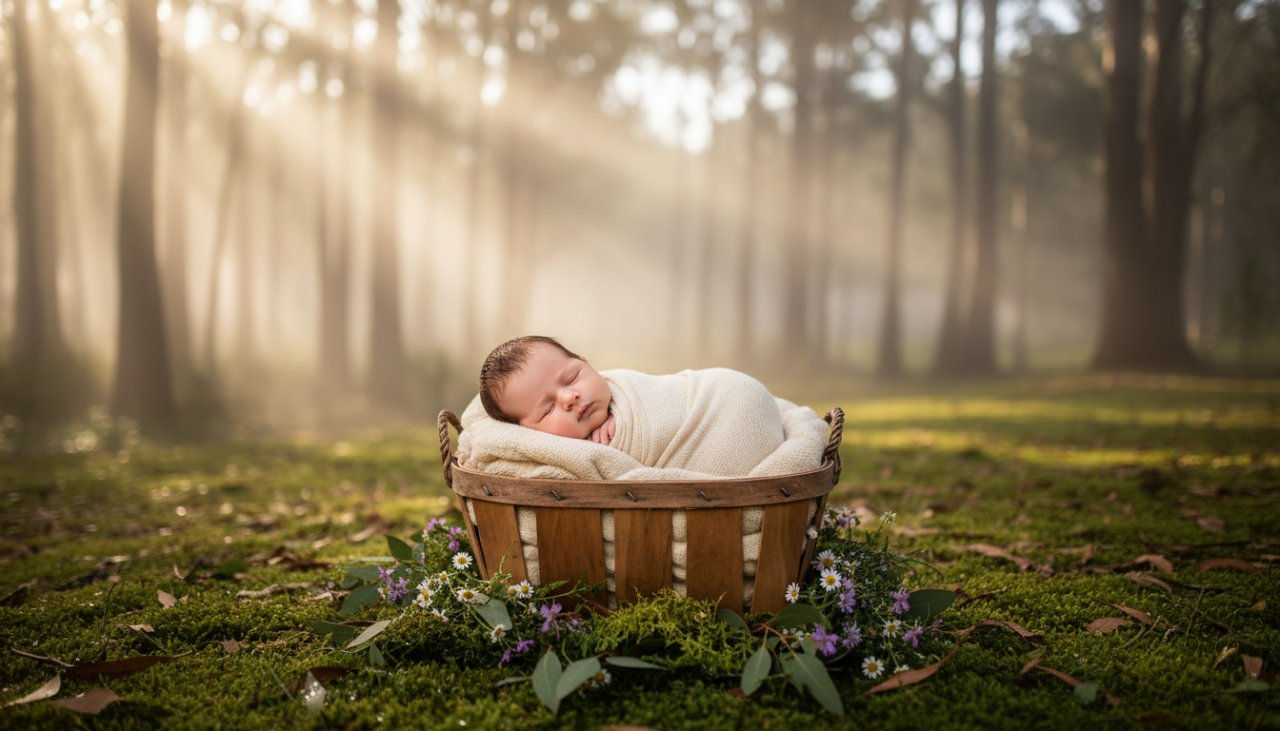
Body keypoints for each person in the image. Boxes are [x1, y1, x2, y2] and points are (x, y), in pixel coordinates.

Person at [479, 336, 617, 445]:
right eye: (548, 409)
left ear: (585, 362)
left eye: (571, 378)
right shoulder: (559, 458)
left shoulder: (627, 387)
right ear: (526, 431)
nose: (569, 398)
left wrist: (623, 419)